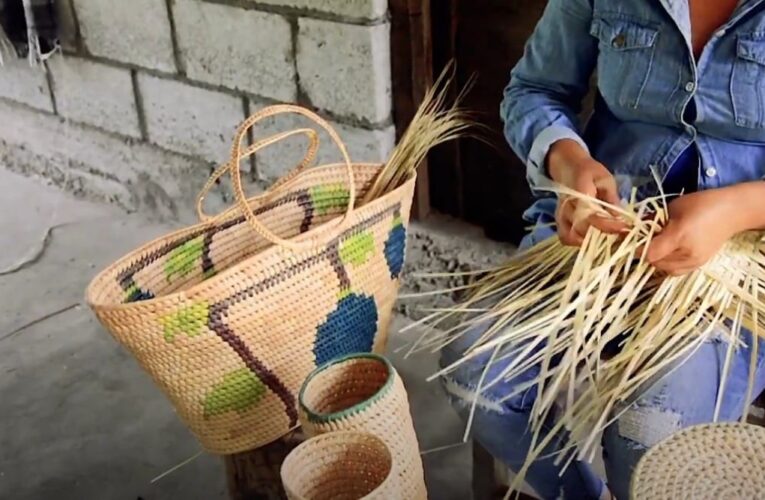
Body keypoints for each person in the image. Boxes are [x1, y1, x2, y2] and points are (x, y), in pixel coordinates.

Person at [440, 1, 765, 499]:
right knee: (477, 376)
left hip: (741, 267)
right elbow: (535, 90)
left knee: (648, 428)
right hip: (602, 242)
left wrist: (735, 211)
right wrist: (566, 159)